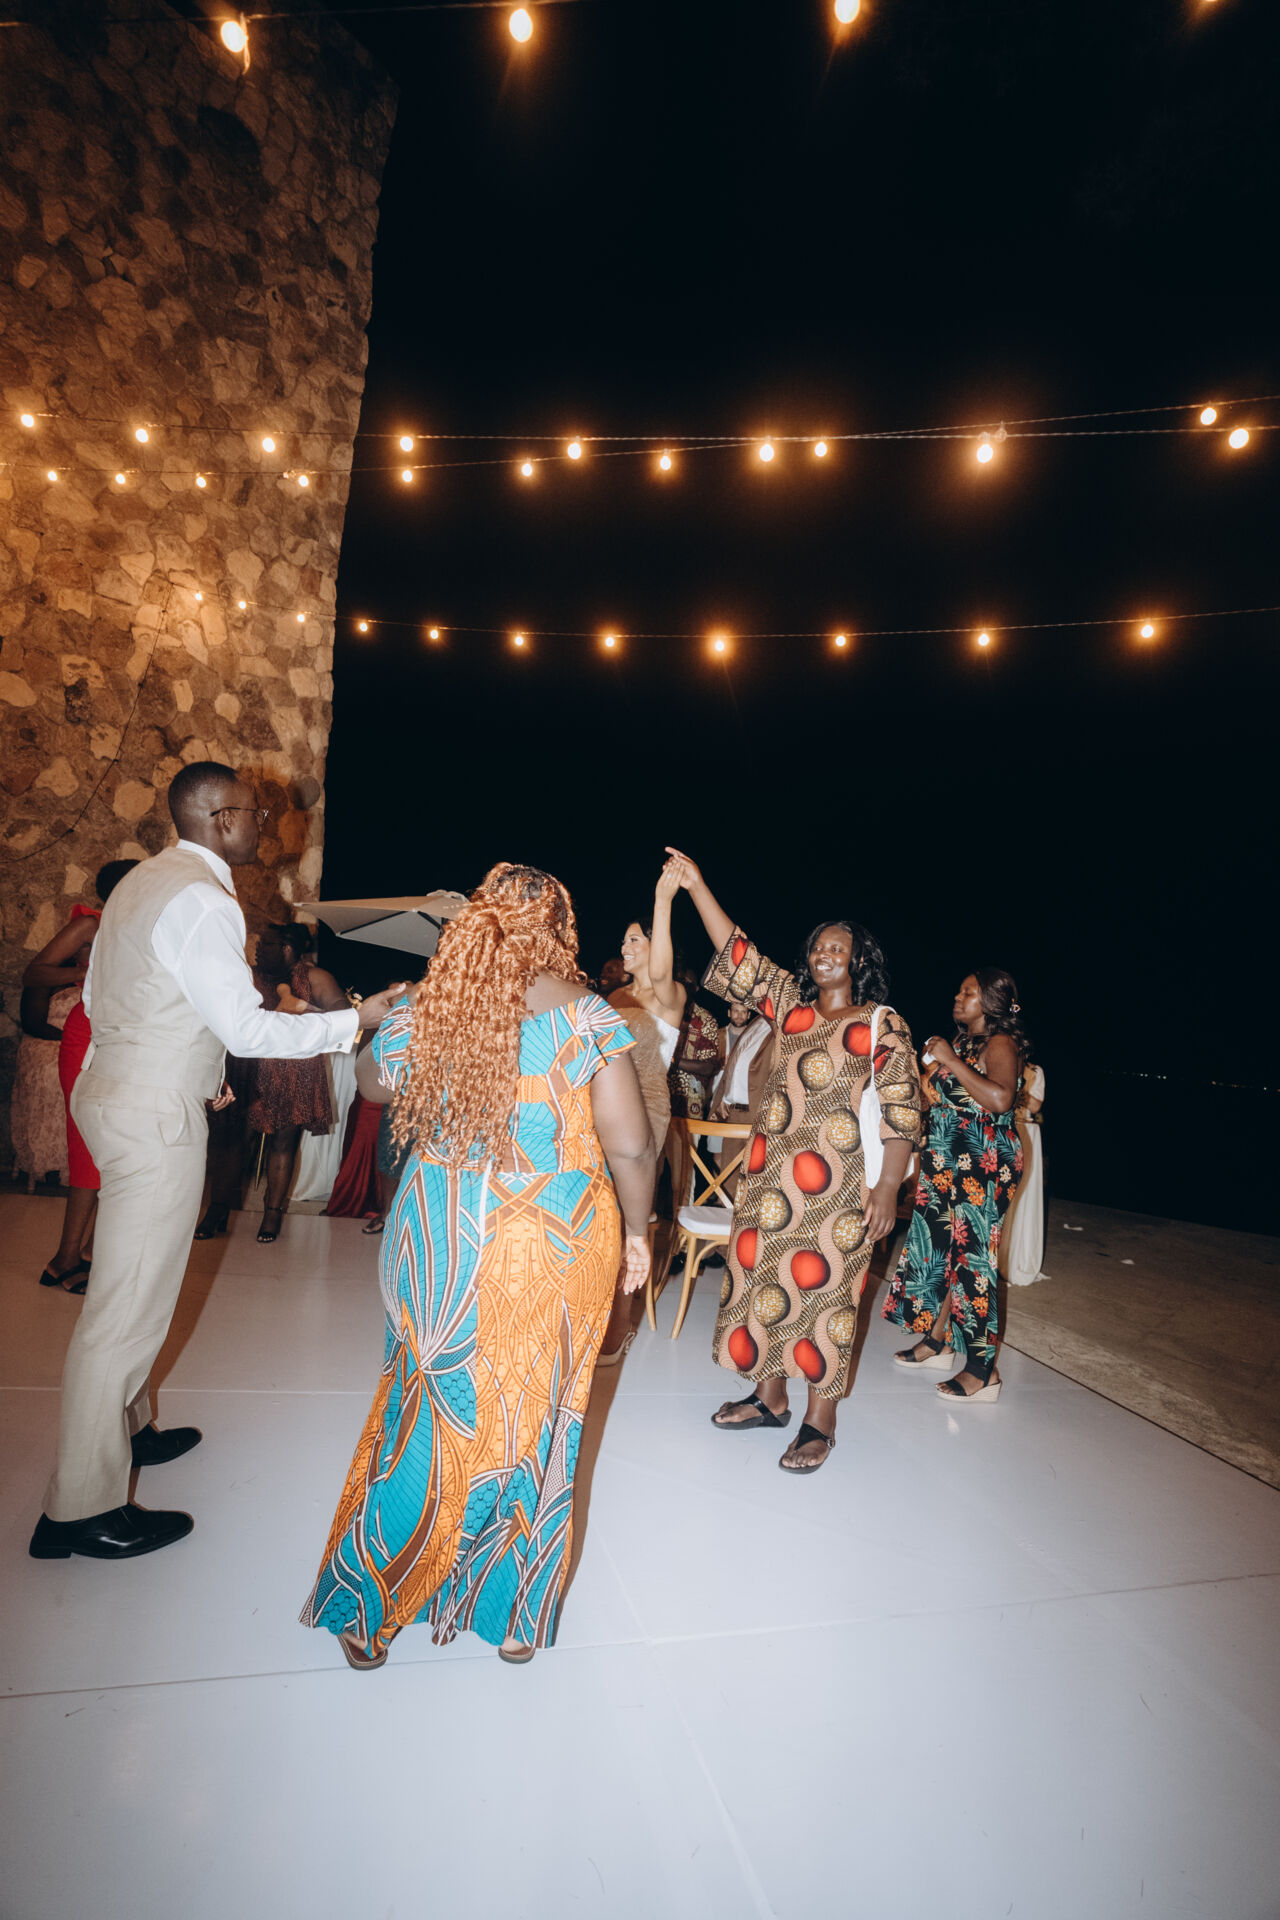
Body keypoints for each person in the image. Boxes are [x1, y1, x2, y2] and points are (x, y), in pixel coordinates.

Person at [28, 762, 404, 1563]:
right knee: (125, 1307)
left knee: (131, 1286)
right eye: (256, 812)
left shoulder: (140, 884)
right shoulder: (204, 898)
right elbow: (248, 1028)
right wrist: (355, 1020)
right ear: (220, 816)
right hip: (151, 1110)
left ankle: (130, 1430)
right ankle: (80, 1509)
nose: (266, 823)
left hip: (114, 1088)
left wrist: (194, 1066)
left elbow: (105, 998)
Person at [301, 863, 655, 1669]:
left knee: (424, 1410)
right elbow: (632, 1147)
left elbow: (371, 1086)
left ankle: (369, 1610)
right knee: (537, 1417)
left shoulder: (436, 1002)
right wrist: (639, 1231)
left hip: (442, 1234)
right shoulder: (587, 1016)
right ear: (556, 930)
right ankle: (512, 1612)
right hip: (554, 1238)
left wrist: (397, 1012)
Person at [664, 849, 922, 1473]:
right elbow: (740, 956)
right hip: (770, 1174)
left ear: (859, 961)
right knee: (761, 1282)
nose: (824, 954)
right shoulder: (791, 1007)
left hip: (841, 1187)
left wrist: (888, 1186)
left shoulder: (880, 1024)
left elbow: (902, 1109)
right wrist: (697, 886)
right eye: (817, 947)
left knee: (827, 1294)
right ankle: (770, 1398)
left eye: (838, 948)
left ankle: (819, 1421)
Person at [883, 970, 1027, 1402]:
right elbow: (944, 1098)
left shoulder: (1000, 1043)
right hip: (949, 1159)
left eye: (969, 992)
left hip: (984, 1161)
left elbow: (1000, 1099)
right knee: (943, 1250)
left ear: (992, 1002)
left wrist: (949, 1059)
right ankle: (938, 1340)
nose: (958, 996)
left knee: (973, 1258)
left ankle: (984, 1370)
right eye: (960, 990)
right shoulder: (964, 1044)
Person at [21, 863, 139, 1291]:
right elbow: (34, 973)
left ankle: (86, 1253)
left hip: (122, 1038)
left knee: (114, 1147)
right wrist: (85, 973)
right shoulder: (91, 925)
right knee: (90, 1146)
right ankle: (66, 1259)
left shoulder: (143, 928)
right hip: (86, 1036)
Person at [194, 922, 350, 1245]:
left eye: (265, 944)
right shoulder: (248, 975)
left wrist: (307, 1012)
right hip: (248, 1069)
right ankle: (218, 1209)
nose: (256, 948)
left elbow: (343, 1015)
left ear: (287, 949)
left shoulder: (315, 978)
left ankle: (273, 1213)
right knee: (233, 1141)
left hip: (295, 1070)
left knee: (283, 1144)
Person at [708, 997, 774, 1200]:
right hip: (731, 1110)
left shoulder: (777, 1028)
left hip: (755, 1112)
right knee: (727, 1174)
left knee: (753, 1176)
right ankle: (725, 1212)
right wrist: (723, 1101)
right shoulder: (755, 1024)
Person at [1001, 1060, 1046, 1286]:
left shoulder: (1034, 1071)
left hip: (1025, 1128)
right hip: (1001, 1126)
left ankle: (1014, 1256)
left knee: (1023, 1193)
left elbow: (1036, 1106)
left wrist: (1015, 1086)